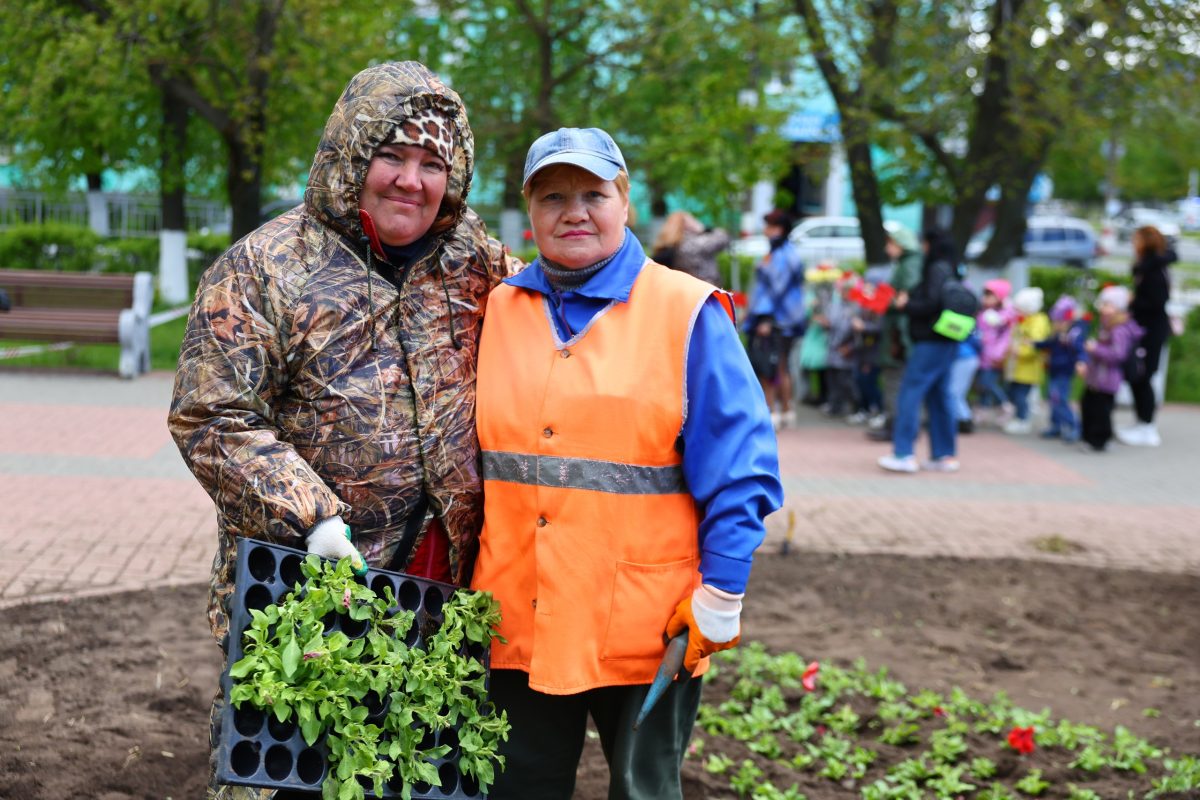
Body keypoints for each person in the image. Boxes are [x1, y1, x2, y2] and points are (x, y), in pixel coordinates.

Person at [166, 62, 518, 799]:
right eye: (392, 155)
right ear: (351, 154)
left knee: (414, 770)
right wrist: (312, 520)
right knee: (291, 766)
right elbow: (212, 415)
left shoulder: (475, 262)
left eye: (432, 164)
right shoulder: (265, 267)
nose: (410, 181)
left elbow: (560, 317)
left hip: (436, 587)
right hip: (307, 579)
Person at [470, 127, 784, 800]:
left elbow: (742, 471)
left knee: (644, 791)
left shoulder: (685, 312)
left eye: (593, 193)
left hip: (647, 626)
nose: (573, 211)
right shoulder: (498, 308)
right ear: (529, 210)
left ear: (627, 201)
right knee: (513, 786)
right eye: (552, 196)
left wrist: (723, 593)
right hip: (516, 615)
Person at [878, 229, 961, 473]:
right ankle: (944, 454)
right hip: (948, 339)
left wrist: (907, 304)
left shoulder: (935, 269)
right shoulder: (952, 267)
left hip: (930, 340)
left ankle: (904, 453)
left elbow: (930, 303)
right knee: (939, 395)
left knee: (910, 393)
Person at [747, 209, 806, 427]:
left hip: (777, 319)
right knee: (781, 364)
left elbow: (775, 291)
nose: (765, 230)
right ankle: (787, 410)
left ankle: (772, 411)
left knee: (770, 365)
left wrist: (764, 319)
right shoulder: (786, 252)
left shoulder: (781, 254)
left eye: (769, 226)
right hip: (789, 318)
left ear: (778, 229)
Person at [1117, 225, 1175, 447]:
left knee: (1143, 376)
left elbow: (1156, 303)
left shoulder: (1152, 269)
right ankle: (1141, 422)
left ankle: (1147, 428)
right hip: (1145, 329)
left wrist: (1131, 303)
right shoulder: (1149, 266)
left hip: (1150, 331)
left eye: (1136, 239)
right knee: (1138, 376)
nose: (1133, 242)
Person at [866, 223, 921, 439]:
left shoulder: (909, 266)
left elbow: (902, 300)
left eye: (891, 243)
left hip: (900, 335)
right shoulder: (907, 263)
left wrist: (878, 299)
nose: (888, 249)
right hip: (899, 333)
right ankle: (895, 424)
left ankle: (896, 427)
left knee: (895, 381)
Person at [1080, 285, 1144, 452]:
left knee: (1101, 411)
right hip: (1096, 377)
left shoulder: (1119, 330)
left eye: (1108, 305)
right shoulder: (1106, 326)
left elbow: (1118, 354)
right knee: (1088, 406)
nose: (1103, 308)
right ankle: (1088, 437)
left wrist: (1096, 349)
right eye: (1103, 304)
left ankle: (1099, 441)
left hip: (1107, 378)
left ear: (1118, 308)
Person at [1036, 295, 1088, 442]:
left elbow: (1080, 350)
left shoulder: (1073, 335)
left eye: (1059, 321)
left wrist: (1081, 362)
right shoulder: (1058, 334)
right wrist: (1035, 343)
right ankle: (1056, 425)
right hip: (1054, 370)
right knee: (1053, 399)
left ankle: (1074, 426)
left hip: (1064, 372)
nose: (1056, 324)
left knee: (1060, 399)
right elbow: (1048, 344)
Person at [1003, 287, 1051, 435]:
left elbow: (1035, 344)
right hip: (1017, 366)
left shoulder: (1038, 321)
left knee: (1020, 395)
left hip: (1028, 367)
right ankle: (1021, 416)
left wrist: (1020, 351)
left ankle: (1023, 419)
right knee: (1014, 393)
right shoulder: (1024, 320)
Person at [650, 209, 730, 286]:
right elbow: (723, 237)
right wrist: (702, 228)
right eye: (692, 219)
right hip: (704, 289)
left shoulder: (666, 247)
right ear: (686, 224)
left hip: (682, 289)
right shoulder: (694, 244)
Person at [975, 278, 1016, 426]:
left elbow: (1006, 338)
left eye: (990, 295)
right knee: (983, 384)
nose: (986, 299)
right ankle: (983, 409)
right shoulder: (983, 312)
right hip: (982, 354)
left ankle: (1004, 405)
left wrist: (998, 354)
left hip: (994, 357)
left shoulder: (1006, 315)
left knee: (988, 382)